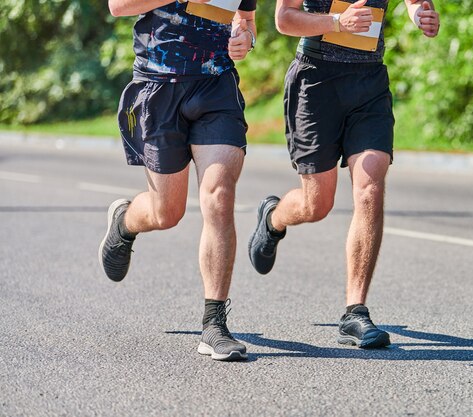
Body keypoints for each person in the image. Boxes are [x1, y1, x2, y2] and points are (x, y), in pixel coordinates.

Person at [248, 0, 439, 348]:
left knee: (370, 186)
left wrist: (419, 15)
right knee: (316, 204)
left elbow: (414, 2)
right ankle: (273, 218)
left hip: (369, 83)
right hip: (315, 81)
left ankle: (355, 311)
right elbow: (284, 19)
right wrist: (337, 21)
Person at [99, 0, 257, 361]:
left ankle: (214, 323)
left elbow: (246, 18)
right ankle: (125, 222)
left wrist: (245, 37)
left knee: (219, 195)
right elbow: (118, 6)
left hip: (216, 87)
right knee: (166, 212)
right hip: (158, 88)